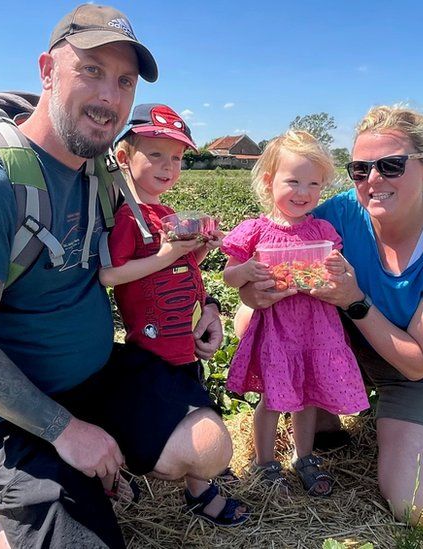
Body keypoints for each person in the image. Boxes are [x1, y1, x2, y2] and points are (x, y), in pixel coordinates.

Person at [0, 5, 233, 548]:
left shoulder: (97, 170)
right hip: (15, 410)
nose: (110, 97)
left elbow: (146, 248)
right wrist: (63, 431)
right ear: (47, 71)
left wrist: (204, 305)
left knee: (210, 448)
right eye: (90, 70)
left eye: (124, 81)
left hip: (96, 378)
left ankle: (89, 465)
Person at [237, 105, 423, 523]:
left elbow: (416, 362)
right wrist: (252, 291)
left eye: (391, 166)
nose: (373, 180)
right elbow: (275, 246)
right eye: (360, 169)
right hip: (340, 345)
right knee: (249, 321)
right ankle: (329, 415)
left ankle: (395, 415)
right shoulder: (336, 214)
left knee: (419, 508)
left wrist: (354, 299)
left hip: (420, 372)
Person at [98, 103, 247, 526]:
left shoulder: (165, 215)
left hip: (182, 338)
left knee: (198, 397)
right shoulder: (129, 218)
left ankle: (200, 482)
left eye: (177, 158)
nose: (169, 166)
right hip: (151, 346)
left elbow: (186, 268)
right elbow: (109, 275)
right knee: (176, 411)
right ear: (124, 158)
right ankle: (187, 483)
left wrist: (201, 247)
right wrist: (166, 254)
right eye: (157, 155)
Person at [221, 130, 370, 497]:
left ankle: (304, 457)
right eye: (293, 181)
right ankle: (265, 462)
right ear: (270, 181)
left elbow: (339, 265)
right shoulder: (255, 230)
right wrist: (248, 272)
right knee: (273, 398)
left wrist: (337, 269)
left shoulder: (322, 229)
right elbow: (228, 273)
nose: (303, 192)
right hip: (277, 329)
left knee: (308, 396)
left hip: (318, 328)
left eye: (313, 184)